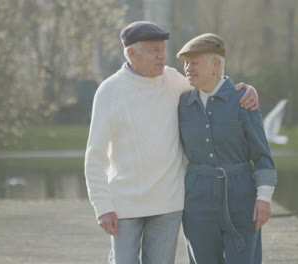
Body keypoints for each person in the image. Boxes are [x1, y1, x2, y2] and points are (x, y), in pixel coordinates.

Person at [84, 21, 259, 264]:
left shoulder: (173, 80)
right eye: (154, 50)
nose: (162, 56)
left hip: (168, 203)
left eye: (163, 49)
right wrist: (102, 206)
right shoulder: (109, 91)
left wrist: (245, 90)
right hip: (124, 205)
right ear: (131, 53)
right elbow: (95, 156)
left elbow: (211, 86)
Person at [177, 33, 277, 264]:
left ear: (216, 64)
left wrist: (264, 198)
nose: (187, 68)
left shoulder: (243, 99)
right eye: (185, 63)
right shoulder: (182, 102)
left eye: (194, 62)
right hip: (197, 198)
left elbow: (262, 156)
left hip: (242, 196)